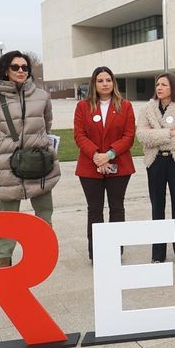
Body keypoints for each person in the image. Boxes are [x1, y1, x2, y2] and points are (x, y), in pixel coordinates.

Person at [0, 50, 60, 268]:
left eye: (24, 67)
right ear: (6, 70)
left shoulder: (42, 96)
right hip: (5, 162)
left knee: (44, 206)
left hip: (38, 158)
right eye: (15, 67)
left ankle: (43, 248)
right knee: (7, 210)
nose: (20, 71)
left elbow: (47, 123)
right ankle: (4, 255)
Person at [73, 66, 136, 261]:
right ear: (94, 84)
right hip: (90, 167)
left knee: (117, 208)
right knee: (95, 210)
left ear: (113, 83)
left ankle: (116, 251)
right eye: (100, 80)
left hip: (119, 165)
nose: (105, 84)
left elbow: (129, 135)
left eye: (108, 80)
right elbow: (79, 134)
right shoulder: (83, 107)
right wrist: (96, 156)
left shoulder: (125, 106)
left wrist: (108, 155)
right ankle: (97, 253)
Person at [136, 73, 175, 265]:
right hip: (155, 163)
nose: (159, 87)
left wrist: (157, 138)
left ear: (173, 87)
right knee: (157, 207)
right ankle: (158, 254)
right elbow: (142, 136)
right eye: (157, 84)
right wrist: (170, 133)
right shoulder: (147, 109)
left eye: (164, 84)